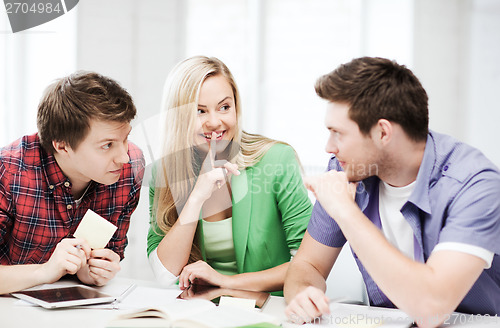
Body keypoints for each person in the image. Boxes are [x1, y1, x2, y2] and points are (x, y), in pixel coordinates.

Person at [284, 57, 500, 327]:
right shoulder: (347, 172)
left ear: (383, 132)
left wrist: (345, 212)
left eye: (338, 133)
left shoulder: (475, 185)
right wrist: (305, 294)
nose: (329, 147)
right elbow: (308, 265)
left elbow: (431, 308)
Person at [147, 56, 312, 295]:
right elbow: (165, 275)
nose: (215, 122)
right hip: (203, 312)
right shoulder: (164, 171)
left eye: (224, 107)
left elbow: (309, 265)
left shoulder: (276, 160)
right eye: (200, 111)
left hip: (268, 309)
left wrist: (225, 281)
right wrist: (196, 199)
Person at [0, 71, 145, 295]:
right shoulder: (9, 171)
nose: (123, 156)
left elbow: (112, 252)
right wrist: (46, 271)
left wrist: (92, 272)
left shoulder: (130, 167)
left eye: (125, 138)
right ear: (62, 146)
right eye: (107, 145)